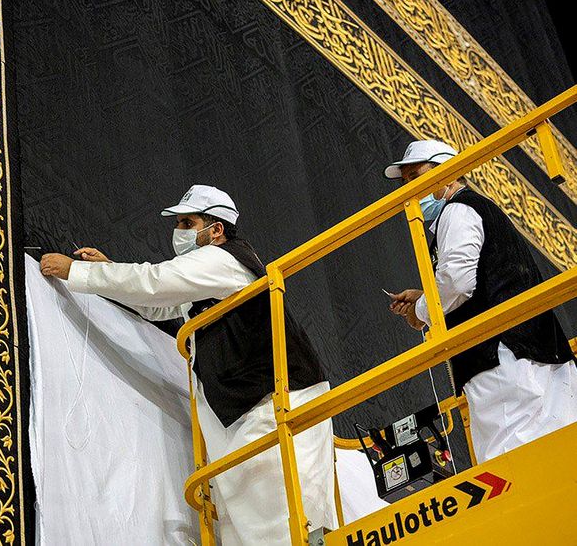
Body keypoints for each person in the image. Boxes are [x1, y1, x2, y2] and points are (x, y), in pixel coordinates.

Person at [39, 185, 337, 544]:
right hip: (252, 406)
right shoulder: (210, 275)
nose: (179, 231)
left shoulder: (223, 259)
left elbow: (156, 283)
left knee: (283, 518)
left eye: (188, 222)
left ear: (216, 230)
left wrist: (76, 272)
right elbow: (162, 305)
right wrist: (109, 272)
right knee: (253, 522)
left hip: (278, 402)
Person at [384, 139, 577, 463]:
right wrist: (427, 296)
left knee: (512, 468)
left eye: (417, 178)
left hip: (502, 360)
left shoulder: (457, 210)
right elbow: (481, 277)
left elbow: (458, 281)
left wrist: (422, 311)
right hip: (541, 353)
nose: (411, 192)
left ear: (446, 173)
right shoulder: (480, 209)